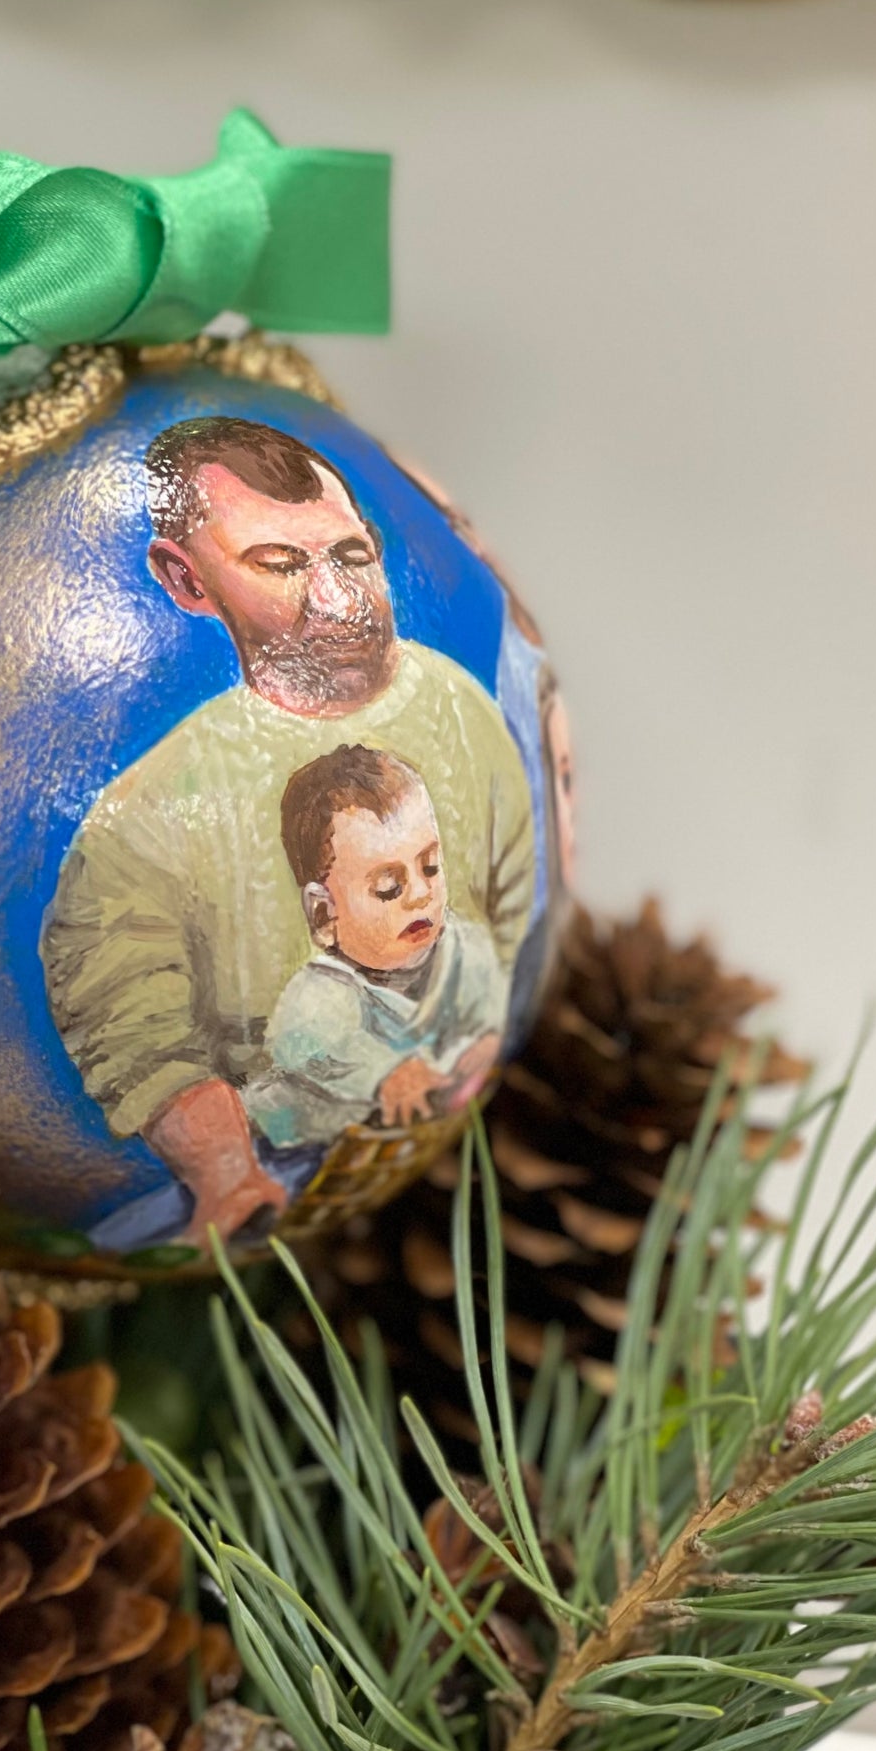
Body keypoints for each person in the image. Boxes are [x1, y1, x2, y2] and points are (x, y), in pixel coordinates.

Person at [40, 414, 533, 1251]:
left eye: (351, 555)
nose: (339, 600)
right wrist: (228, 1173)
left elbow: (512, 923)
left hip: (460, 1165)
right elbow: (137, 1034)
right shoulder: (143, 823)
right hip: (276, 1174)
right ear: (187, 579)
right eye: (281, 565)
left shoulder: (466, 714)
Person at [244, 745, 504, 1156]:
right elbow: (304, 1045)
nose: (420, 895)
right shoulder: (321, 993)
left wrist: (483, 1046)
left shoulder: (465, 949)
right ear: (324, 915)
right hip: (295, 1147)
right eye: (388, 888)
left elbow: (494, 999)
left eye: (430, 866)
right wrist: (387, 1074)